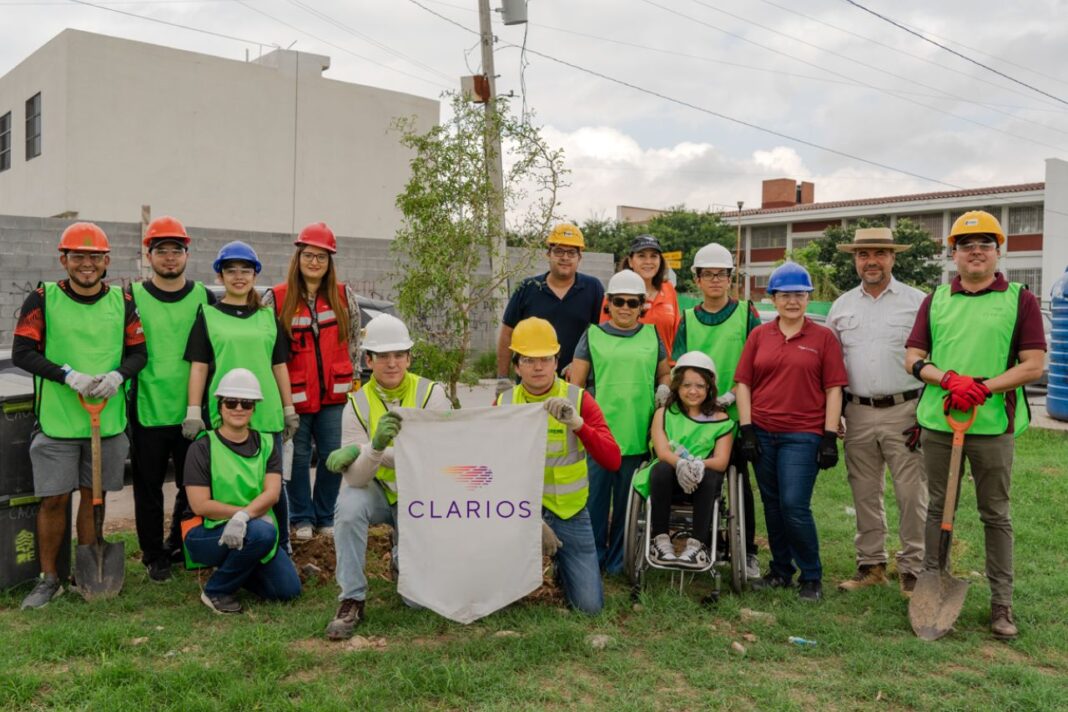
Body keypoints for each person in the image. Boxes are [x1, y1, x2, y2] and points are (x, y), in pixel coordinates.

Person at [905, 210, 1045, 640]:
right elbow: (912, 357)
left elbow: (1034, 365)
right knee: (936, 509)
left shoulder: (1020, 299)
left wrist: (983, 388)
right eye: (967, 246)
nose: (976, 252)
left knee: (995, 514)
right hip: (939, 422)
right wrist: (945, 378)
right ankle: (931, 584)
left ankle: (1001, 603)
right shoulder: (937, 299)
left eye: (985, 244)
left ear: (998, 251)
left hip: (991, 426)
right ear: (955, 254)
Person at [15, 222, 146, 609]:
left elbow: (140, 353)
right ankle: (49, 578)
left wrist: (118, 376)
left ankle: (87, 573)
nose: (86, 264)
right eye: (78, 256)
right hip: (57, 420)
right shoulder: (42, 298)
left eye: (94, 257)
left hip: (106, 421)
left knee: (94, 498)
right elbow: (23, 351)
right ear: (64, 259)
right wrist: (66, 375)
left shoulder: (122, 302)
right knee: (54, 500)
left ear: (106, 261)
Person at [322, 314, 451, 640]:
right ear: (369, 360)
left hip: (420, 492)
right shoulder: (357, 404)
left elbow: (432, 458)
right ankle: (352, 597)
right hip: (378, 491)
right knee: (349, 508)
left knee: (415, 603)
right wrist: (375, 446)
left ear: (409, 357)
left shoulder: (431, 395)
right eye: (382, 356)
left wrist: (366, 450)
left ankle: (400, 555)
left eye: (398, 355)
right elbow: (355, 479)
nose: (391, 363)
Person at [735, 262, 848, 602]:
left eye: (799, 294)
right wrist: (747, 429)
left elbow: (834, 389)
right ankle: (781, 571)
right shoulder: (759, 335)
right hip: (764, 432)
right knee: (772, 505)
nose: (793, 301)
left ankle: (811, 576)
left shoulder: (822, 338)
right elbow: (743, 383)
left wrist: (828, 437)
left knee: (795, 505)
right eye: (785, 295)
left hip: (803, 434)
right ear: (773, 298)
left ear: (808, 298)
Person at [826, 227, 927, 598]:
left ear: (892, 258)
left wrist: (926, 411)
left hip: (907, 410)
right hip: (858, 412)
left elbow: (933, 358)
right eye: (863, 254)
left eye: (880, 253)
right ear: (855, 259)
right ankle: (871, 565)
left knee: (911, 492)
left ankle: (914, 569)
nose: (871, 261)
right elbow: (832, 367)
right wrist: (833, 412)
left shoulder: (918, 303)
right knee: (864, 491)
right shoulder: (841, 306)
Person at [497, 317, 622, 614]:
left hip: (569, 511)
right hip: (516, 511)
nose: (538, 367)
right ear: (517, 366)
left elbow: (612, 459)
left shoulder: (578, 400)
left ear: (557, 362)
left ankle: (561, 568)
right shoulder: (504, 405)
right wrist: (528, 519)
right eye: (529, 360)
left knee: (589, 608)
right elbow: (491, 471)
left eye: (545, 359)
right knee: (499, 602)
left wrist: (578, 425)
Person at [184, 241, 299, 551]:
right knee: (226, 482)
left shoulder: (267, 318)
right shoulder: (207, 316)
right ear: (220, 277)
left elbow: (279, 366)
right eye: (230, 271)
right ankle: (228, 544)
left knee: (273, 485)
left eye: (245, 271)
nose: (238, 277)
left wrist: (289, 408)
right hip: (226, 411)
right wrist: (193, 410)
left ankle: (281, 544)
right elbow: (198, 367)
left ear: (255, 275)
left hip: (266, 412)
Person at [128, 216, 215, 583]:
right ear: (148, 256)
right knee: (148, 486)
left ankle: (180, 542)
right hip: (148, 407)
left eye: (175, 250)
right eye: (161, 251)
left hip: (192, 409)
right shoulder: (131, 296)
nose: (168, 258)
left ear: (186, 254)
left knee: (191, 483)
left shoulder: (203, 297)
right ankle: (153, 554)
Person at [264, 222, 361, 542]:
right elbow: (268, 350)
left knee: (335, 454)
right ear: (298, 257)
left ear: (330, 261)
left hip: (336, 396)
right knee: (299, 457)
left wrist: (355, 380)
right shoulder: (276, 298)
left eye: (322, 257)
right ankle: (301, 516)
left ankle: (326, 514)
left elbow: (354, 342)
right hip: (294, 396)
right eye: (309, 255)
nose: (315, 262)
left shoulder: (344, 295)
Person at [672, 242, 762, 578]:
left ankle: (748, 552)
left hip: (734, 413)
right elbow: (678, 366)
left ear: (730, 278)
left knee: (742, 484)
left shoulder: (745, 313)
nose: (715, 280)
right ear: (696, 279)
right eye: (707, 274)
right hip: (695, 416)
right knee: (701, 480)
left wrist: (731, 395)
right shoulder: (689, 318)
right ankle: (702, 542)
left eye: (721, 274)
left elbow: (755, 364)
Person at [570, 269, 670, 574]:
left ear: (642, 305)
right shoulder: (592, 335)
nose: (625, 308)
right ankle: (592, 559)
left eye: (632, 302)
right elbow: (576, 384)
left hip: (637, 434)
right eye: (618, 301)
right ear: (608, 303)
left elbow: (663, 373)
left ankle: (617, 562)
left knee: (629, 507)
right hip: (599, 437)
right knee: (594, 504)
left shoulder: (652, 337)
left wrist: (665, 387)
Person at [181, 368, 301, 613]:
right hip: (206, 532)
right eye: (231, 402)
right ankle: (216, 590)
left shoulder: (267, 444)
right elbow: (200, 505)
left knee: (287, 590)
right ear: (220, 405)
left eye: (246, 403)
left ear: (254, 407)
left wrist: (244, 518)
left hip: (252, 528)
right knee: (262, 532)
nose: (238, 408)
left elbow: (272, 493)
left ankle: (236, 564)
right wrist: (242, 516)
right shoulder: (202, 447)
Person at [635, 352, 734, 568]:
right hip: (669, 482)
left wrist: (699, 464)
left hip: (703, 484)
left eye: (700, 386)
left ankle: (697, 545)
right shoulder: (664, 413)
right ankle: (660, 540)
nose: (693, 391)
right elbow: (662, 451)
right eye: (687, 385)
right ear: (677, 387)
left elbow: (722, 461)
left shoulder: (721, 419)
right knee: (661, 468)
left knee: (710, 475)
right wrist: (680, 464)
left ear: (709, 388)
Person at [496, 223, 605, 390]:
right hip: (531, 386)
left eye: (571, 252)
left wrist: (582, 364)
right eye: (559, 251)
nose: (565, 257)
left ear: (579, 257)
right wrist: (503, 378)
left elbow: (602, 335)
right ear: (548, 254)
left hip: (575, 384)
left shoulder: (593, 288)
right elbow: (507, 334)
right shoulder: (527, 288)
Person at [600, 235, 680, 356]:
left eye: (654, 256)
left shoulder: (669, 289)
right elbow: (603, 337)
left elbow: (676, 334)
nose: (648, 262)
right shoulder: (615, 293)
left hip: (665, 371)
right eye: (641, 256)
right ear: (631, 261)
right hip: (629, 367)